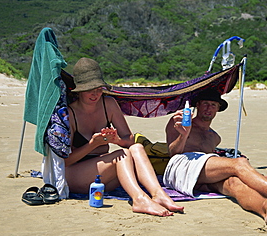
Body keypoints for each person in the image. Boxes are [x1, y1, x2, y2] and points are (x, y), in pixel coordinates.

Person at [163, 88, 267, 225]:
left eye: (213, 105)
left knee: (234, 183)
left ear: (218, 109)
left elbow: (210, 165)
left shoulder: (215, 137)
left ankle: (265, 208)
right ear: (197, 105)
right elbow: (174, 154)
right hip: (181, 167)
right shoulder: (179, 123)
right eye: (205, 104)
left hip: (200, 177)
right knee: (239, 164)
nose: (209, 108)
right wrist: (184, 135)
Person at [64, 57, 184, 216]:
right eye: (89, 89)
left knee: (137, 147)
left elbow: (129, 140)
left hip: (102, 175)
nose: (95, 93)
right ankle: (139, 199)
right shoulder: (70, 113)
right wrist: (92, 144)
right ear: (79, 90)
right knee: (122, 155)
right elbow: (66, 160)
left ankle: (158, 194)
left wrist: (116, 140)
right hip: (75, 175)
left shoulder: (109, 104)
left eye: (99, 88)